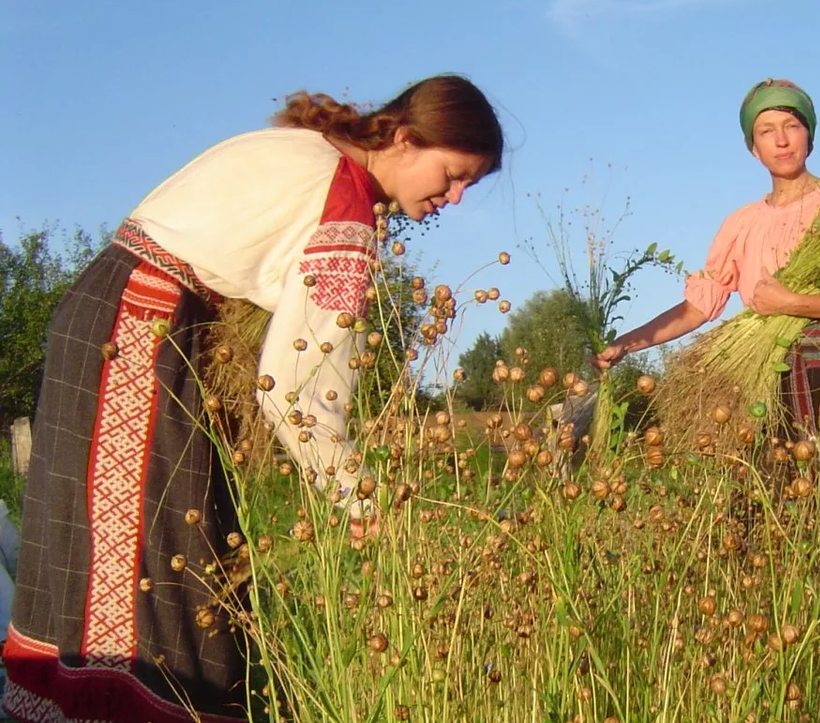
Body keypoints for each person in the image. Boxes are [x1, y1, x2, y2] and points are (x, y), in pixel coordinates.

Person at [2, 74, 503, 723]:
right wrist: (361, 494)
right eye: (454, 173)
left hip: (114, 310)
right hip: (139, 328)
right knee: (152, 586)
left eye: (470, 185)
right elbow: (299, 391)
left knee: (109, 559)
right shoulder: (346, 206)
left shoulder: (314, 149)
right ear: (406, 139)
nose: (455, 198)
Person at [594, 78, 820, 519]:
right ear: (753, 149)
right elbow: (698, 307)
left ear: (810, 136)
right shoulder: (741, 224)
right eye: (766, 131)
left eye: (791, 125)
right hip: (767, 384)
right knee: (775, 514)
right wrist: (628, 343)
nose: (781, 139)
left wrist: (791, 303)